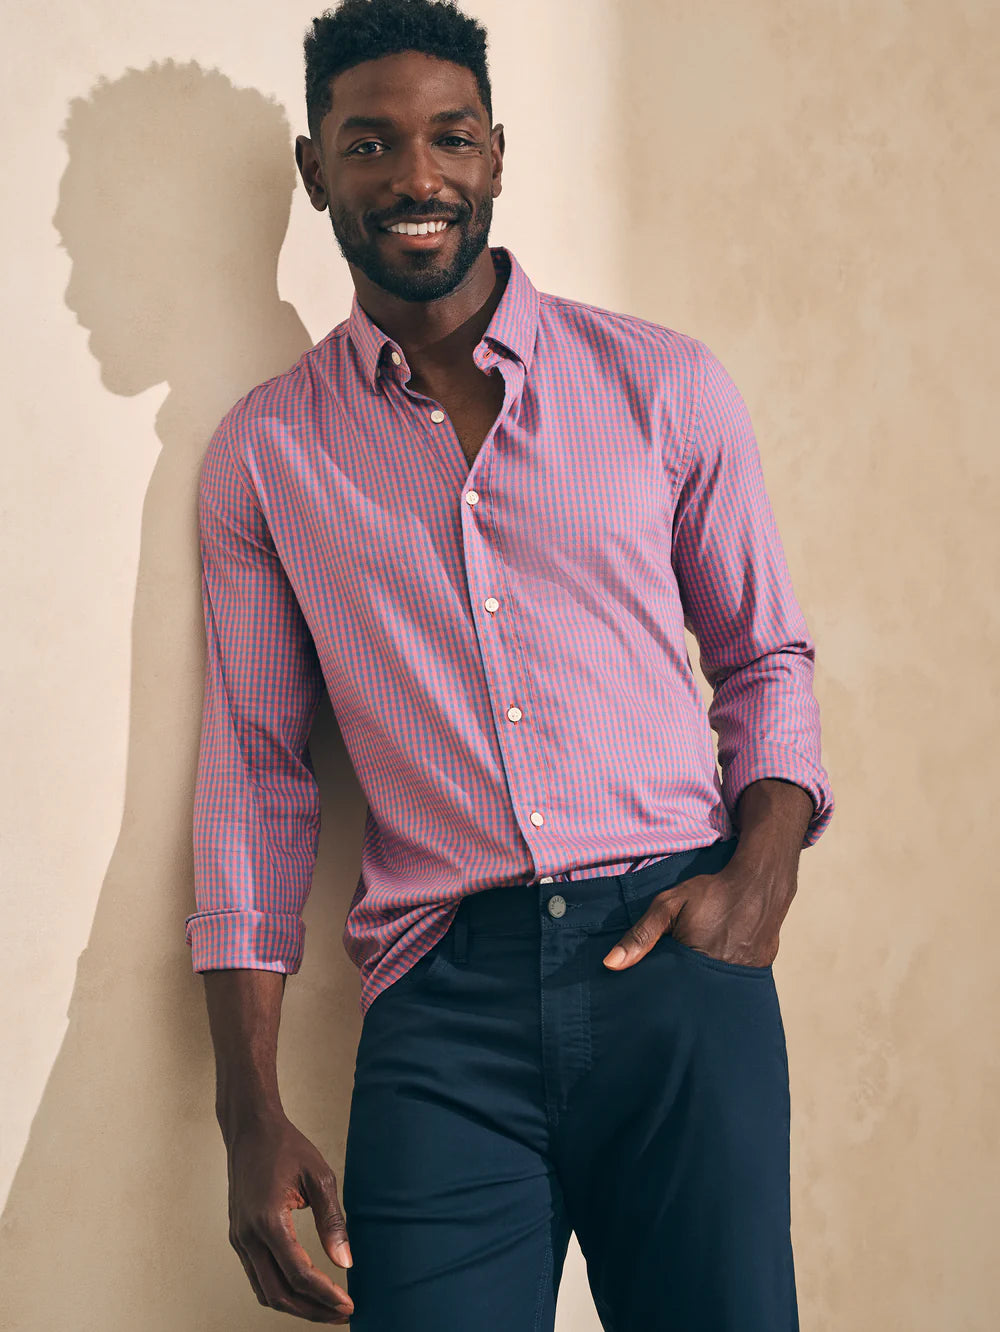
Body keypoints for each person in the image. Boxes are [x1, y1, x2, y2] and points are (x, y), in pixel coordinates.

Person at [186, 0, 834, 1326]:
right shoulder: (264, 458)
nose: (416, 178)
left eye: (449, 138)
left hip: (677, 967)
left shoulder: (665, 386)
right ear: (316, 173)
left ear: (495, 155)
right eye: (369, 145)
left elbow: (765, 659)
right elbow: (257, 780)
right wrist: (246, 1113)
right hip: (445, 1012)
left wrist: (756, 884)